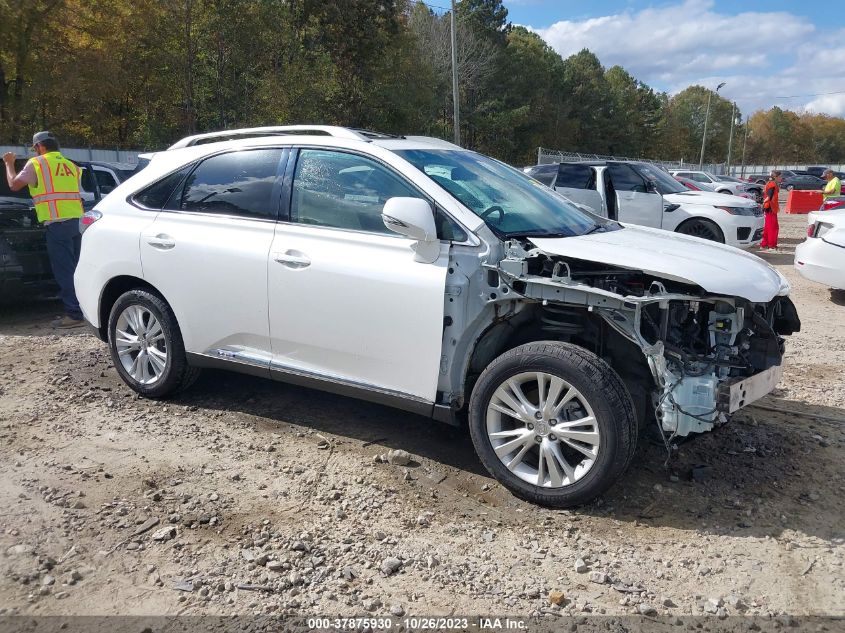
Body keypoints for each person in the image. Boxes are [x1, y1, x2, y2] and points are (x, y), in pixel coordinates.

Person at [3, 131, 85, 328]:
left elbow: (14, 185)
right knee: (77, 270)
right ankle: (84, 311)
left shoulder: (37, 163)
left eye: (35, 149)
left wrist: (8, 163)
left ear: (40, 146)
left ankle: (74, 315)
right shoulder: (71, 165)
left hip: (57, 224)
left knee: (64, 271)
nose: (34, 152)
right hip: (77, 223)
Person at [760, 170, 781, 251]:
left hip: (769, 208)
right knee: (773, 227)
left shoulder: (770, 183)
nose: (781, 178)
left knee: (768, 227)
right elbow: (769, 196)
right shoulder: (772, 184)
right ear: (775, 177)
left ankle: (765, 244)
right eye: (780, 177)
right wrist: (763, 204)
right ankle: (771, 245)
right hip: (770, 208)